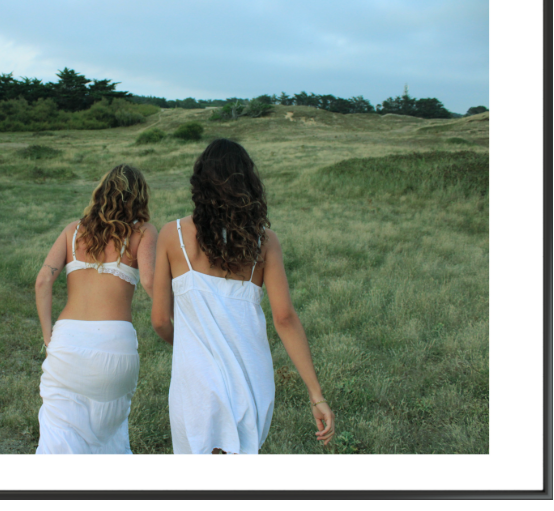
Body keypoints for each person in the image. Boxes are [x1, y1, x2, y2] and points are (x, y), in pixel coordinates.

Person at [151, 138, 333, 454]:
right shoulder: (265, 242)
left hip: (195, 387)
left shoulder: (171, 235)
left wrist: (193, 345)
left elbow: (159, 321)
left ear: (200, 183)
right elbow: (285, 318)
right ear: (248, 185)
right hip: (251, 383)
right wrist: (316, 395)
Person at [34, 164, 157, 454]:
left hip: (67, 344)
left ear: (101, 192)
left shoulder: (72, 231)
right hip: (115, 349)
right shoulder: (143, 233)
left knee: (57, 440)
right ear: (139, 197)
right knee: (108, 438)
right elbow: (151, 282)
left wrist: (48, 336)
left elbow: (43, 281)